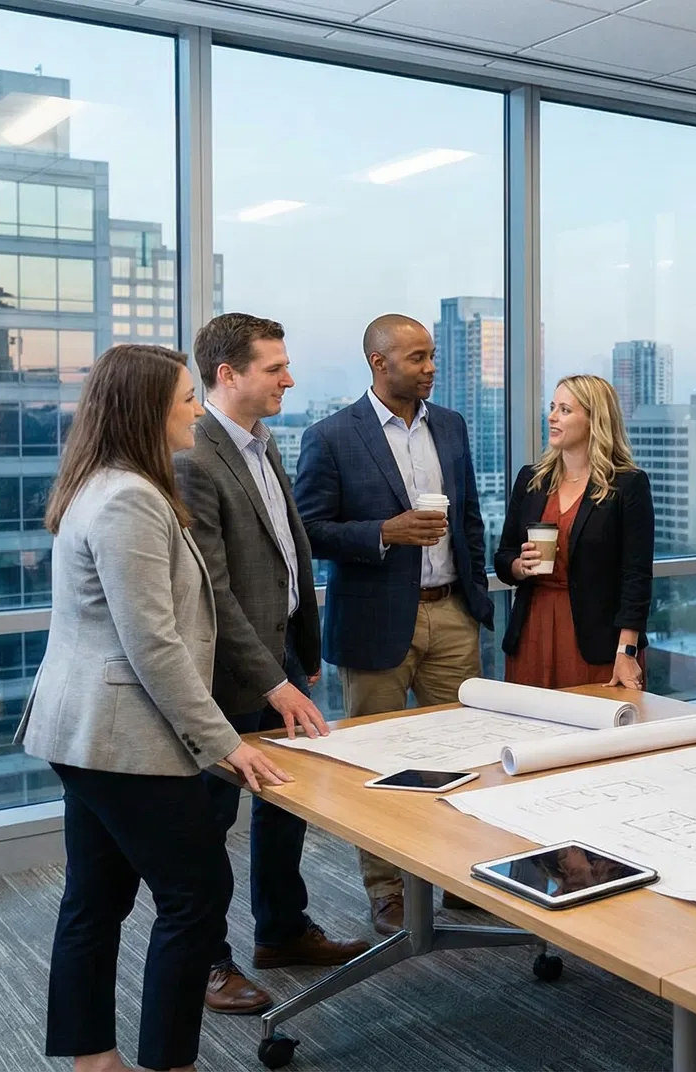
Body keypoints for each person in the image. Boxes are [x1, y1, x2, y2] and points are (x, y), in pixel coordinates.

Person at [18, 344, 291, 1072]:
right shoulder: (130, 500)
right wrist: (224, 742)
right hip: (121, 736)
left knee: (95, 899)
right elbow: (154, 645)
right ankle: (169, 1062)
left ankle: (93, 1059)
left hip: (86, 733)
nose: (197, 412)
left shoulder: (102, 484)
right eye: (185, 400)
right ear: (146, 411)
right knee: (197, 894)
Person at [175, 314, 368, 1017]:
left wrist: (302, 652)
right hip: (228, 672)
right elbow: (214, 591)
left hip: (280, 652)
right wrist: (272, 679)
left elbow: (288, 553)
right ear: (228, 375)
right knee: (210, 822)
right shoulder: (194, 455)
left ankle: (282, 931)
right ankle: (206, 962)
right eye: (275, 367)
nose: (290, 378)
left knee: (285, 805)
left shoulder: (263, 441)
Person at [294, 313, 493, 935]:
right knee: (376, 762)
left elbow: (469, 518)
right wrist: (384, 532)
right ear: (379, 363)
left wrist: (475, 597)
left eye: (431, 355)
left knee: (463, 754)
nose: (431, 367)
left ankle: (458, 873)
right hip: (374, 622)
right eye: (417, 358)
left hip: (451, 612)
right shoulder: (331, 436)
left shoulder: (451, 425)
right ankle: (387, 889)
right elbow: (309, 532)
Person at [496, 375, 654, 690]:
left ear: (595, 420)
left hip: (598, 641)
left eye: (565, 410)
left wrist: (626, 651)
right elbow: (503, 557)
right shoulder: (531, 480)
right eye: (552, 407)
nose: (552, 417)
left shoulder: (628, 485)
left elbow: (636, 577)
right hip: (532, 631)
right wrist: (519, 566)